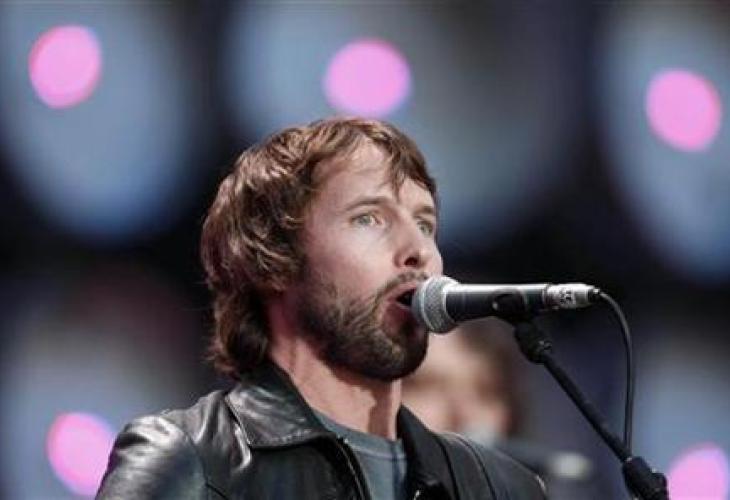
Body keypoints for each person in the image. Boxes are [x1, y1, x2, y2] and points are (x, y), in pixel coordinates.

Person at [97, 117, 546, 499]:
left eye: (425, 224)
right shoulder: (192, 461)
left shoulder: (500, 487)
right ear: (275, 257)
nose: (419, 250)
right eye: (369, 218)